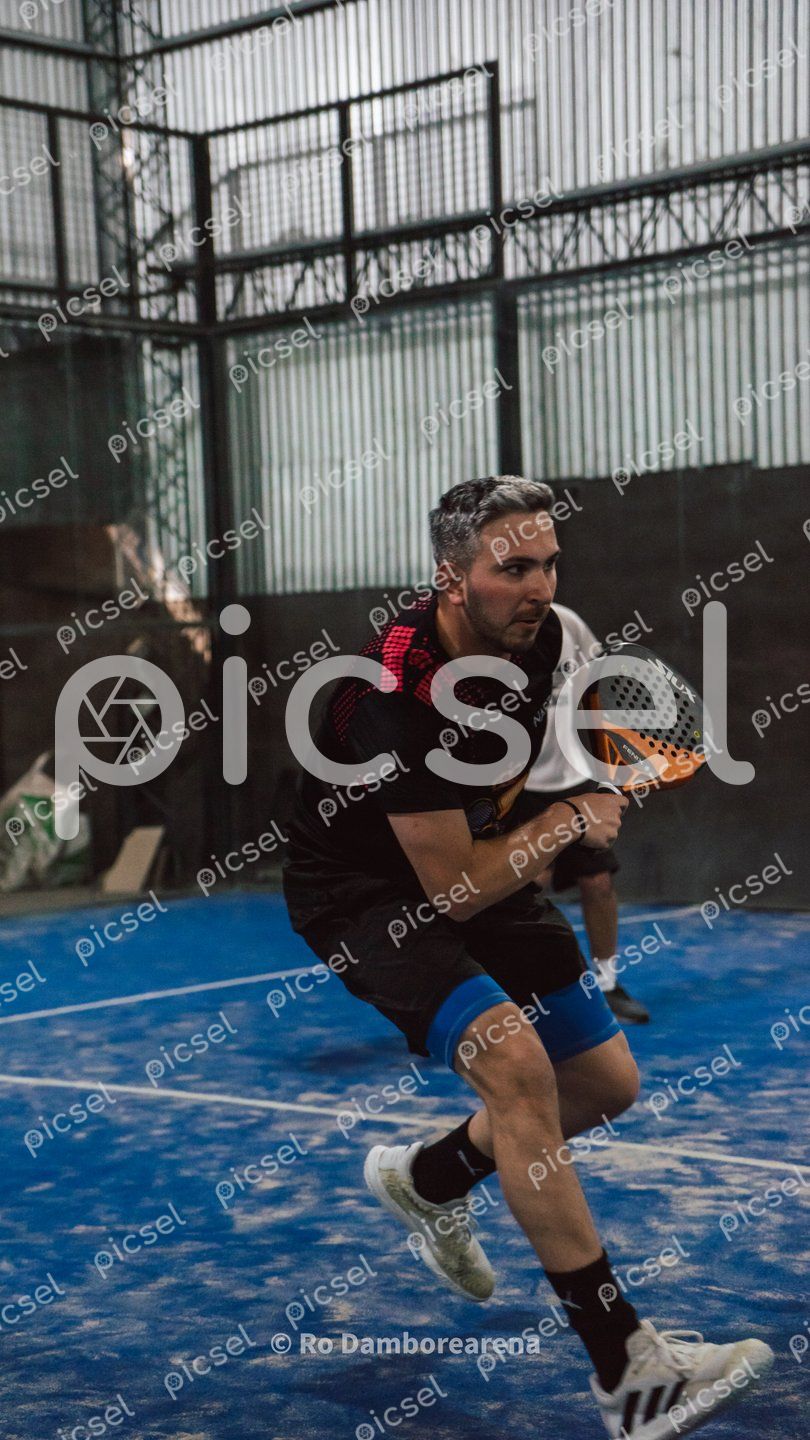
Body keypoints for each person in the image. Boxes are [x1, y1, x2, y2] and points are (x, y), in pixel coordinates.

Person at [282, 477, 772, 1438]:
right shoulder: (389, 697)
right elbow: (451, 895)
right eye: (512, 568)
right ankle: (629, 1372)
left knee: (604, 1082)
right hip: (371, 894)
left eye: (548, 563)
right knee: (516, 1067)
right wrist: (569, 820)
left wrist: (560, 803)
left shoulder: (540, 638)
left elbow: (522, 769)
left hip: (478, 850)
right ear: (450, 577)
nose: (539, 586)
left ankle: (429, 1179)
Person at [508, 603, 650, 1024]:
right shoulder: (495, 636)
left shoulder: (568, 623)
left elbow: (596, 684)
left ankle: (606, 983)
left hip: (574, 779)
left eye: (545, 571)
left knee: (599, 881)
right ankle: (524, 990)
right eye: (516, 572)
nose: (534, 584)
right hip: (518, 787)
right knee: (529, 888)